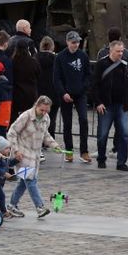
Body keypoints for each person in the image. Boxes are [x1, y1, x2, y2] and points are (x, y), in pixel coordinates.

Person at [7, 96, 60, 218]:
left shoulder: (46, 118)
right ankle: (39, 207)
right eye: (42, 110)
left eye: (47, 111)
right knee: (31, 180)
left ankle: (12, 205)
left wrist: (54, 145)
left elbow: (45, 134)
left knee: (23, 181)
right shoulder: (26, 116)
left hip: (35, 155)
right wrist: (15, 150)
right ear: (36, 106)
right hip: (22, 154)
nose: (44, 113)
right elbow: (12, 132)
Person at [91, 41, 128, 171]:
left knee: (124, 135)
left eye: (122, 51)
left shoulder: (125, 64)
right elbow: (94, 85)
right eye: (118, 51)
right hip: (106, 105)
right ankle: (101, 158)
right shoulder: (101, 64)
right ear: (111, 51)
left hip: (122, 105)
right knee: (103, 134)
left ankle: (121, 162)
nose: (120, 54)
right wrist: (98, 102)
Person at [53, 31, 91, 163]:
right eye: (73, 42)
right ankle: (69, 150)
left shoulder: (83, 56)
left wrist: (84, 88)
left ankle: (84, 151)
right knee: (67, 123)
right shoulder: (60, 57)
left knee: (84, 120)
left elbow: (87, 74)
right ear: (68, 42)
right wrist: (63, 93)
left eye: (77, 42)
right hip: (65, 94)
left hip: (80, 94)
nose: (76, 45)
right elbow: (56, 78)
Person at [36, 36, 59, 146]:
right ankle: (50, 138)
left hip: (38, 92)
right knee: (52, 118)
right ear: (52, 46)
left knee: (37, 117)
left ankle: (38, 138)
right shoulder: (56, 59)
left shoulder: (35, 58)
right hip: (53, 92)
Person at [10, 40, 40, 117]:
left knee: (15, 119)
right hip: (31, 94)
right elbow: (38, 75)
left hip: (16, 94)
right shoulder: (33, 62)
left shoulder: (12, 62)